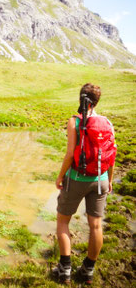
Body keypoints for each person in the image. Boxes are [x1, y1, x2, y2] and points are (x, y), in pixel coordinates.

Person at [52, 83, 116, 285]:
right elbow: (112, 154)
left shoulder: (74, 122)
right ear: (97, 101)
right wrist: (110, 180)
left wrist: (60, 176)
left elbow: (70, 154)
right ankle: (88, 270)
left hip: (77, 179)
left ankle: (65, 269)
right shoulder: (107, 122)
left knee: (63, 222)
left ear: (80, 99)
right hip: (101, 180)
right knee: (96, 225)